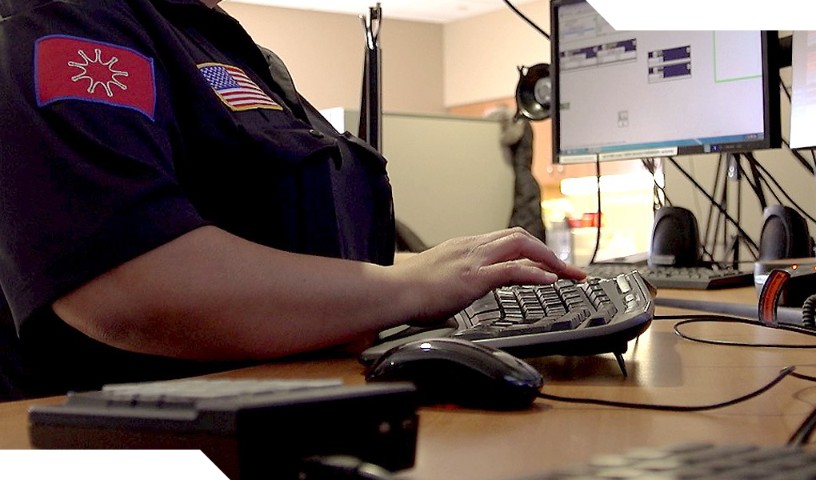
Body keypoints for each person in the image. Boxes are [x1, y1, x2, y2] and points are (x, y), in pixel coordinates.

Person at [0, 0, 585, 400]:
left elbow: (303, 255)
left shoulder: (212, 41)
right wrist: (413, 286)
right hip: (143, 448)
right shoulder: (67, 22)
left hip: (295, 414)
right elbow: (128, 284)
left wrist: (455, 270)